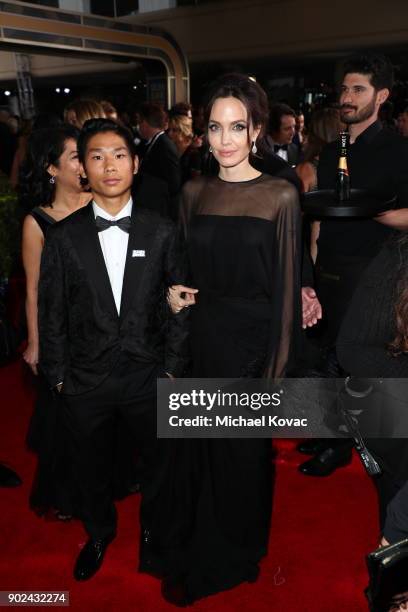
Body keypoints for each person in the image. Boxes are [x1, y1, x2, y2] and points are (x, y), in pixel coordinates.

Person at [143, 73, 302, 606]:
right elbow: (180, 273)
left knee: (241, 460)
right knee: (198, 454)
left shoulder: (281, 195)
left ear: (257, 130)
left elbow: (284, 295)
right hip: (200, 341)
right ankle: (195, 544)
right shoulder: (191, 192)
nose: (226, 139)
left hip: (251, 344)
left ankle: (237, 551)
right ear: (203, 133)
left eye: (238, 126)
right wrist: (171, 302)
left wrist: (274, 378)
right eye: (215, 127)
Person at [38, 118, 189, 581]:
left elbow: (182, 303)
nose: (109, 165)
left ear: (136, 163)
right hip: (86, 379)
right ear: (83, 167)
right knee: (89, 467)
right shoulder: (64, 238)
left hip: (149, 375)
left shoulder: (162, 230)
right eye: (97, 156)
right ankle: (100, 531)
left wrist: (172, 370)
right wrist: (59, 376)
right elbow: (52, 311)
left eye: (119, 154)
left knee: (160, 466)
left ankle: (153, 533)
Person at [300, 52, 408, 477]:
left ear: (380, 96)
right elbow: (324, 212)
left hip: (374, 270)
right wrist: (311, 262)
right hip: (329, 263)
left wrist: (374, 212)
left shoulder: (398, 150)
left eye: (357, 89)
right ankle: (331, 431)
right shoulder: (334, 149)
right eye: (344, 88)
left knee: (353, 360)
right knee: (322, 353)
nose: (347, 96)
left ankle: (346, 442)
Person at [21, 124, 91, 516]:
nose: (85, 163)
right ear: (52, 168)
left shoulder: (102, 204)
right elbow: (32, 289)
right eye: (75, 157)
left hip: (102, 326)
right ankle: (66, 495)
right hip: (62, 332)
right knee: (65, 421)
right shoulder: (38, 223)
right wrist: (34, 343)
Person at [137, 103, 181, 220]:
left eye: (139, 122)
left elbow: (174, 183)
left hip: (161, 210)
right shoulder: (149, 143)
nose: (138, 126)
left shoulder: (164, 146)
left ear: (145, 123)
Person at [167, 114, 202, 183]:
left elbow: (195, 183)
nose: (169, 133)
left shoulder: (194, 154)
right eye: (169, 130)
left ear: (184, 131)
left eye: (174, 130)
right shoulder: (171, 150)